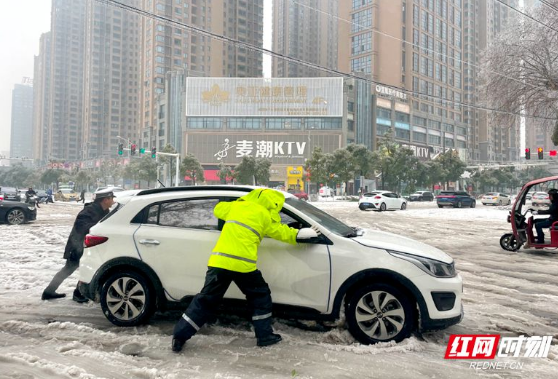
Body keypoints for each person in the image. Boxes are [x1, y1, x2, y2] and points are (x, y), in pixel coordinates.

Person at [171, 188, 320, 352]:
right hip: (243, 266)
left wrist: (237, 203)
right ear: (273, 204)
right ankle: (264, 336)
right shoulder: (265, 215)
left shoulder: (235, 207)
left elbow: (218, 209)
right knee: (260, 297)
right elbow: (282, 232)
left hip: (219, 262)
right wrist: (300, 233)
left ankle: (179, 337)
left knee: (205, 301)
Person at [41, 189, 116, 302]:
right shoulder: (88, 211)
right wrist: (101, 226)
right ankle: (58, 292)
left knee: (86, 268)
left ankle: (59, 292)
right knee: (69, 269)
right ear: (105, 200)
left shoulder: (104, 211)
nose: (113, 201)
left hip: (89, 246)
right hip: (77, 246)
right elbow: (83, 227)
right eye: (111, 198)